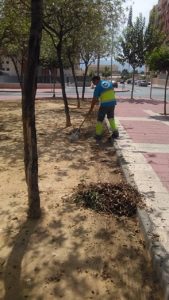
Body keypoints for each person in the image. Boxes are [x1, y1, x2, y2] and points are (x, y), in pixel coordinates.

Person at [88, 75, 119, 141]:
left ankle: (98, 135)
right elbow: (112, 92)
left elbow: (95, 99)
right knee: (111, 118)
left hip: (105, 104)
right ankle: (115, 133)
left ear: (96, 80)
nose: (93, 83)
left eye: (93, 81)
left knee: (100, 119)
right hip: (112, 103)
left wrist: (91, 108)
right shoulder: (108, 83)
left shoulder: (98, 87)